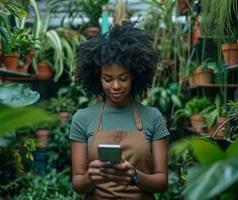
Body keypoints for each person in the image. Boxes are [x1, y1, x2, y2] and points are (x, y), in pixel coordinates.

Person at [69, 22, 169, 199]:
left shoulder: (153, 117)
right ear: (98, 79)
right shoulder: (82, 118)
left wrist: (134, 176)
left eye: (123, 78)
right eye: (108, 79)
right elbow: (78, 184)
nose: (115, 86)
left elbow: (162, 182)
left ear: (133, 76)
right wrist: (90, 177)